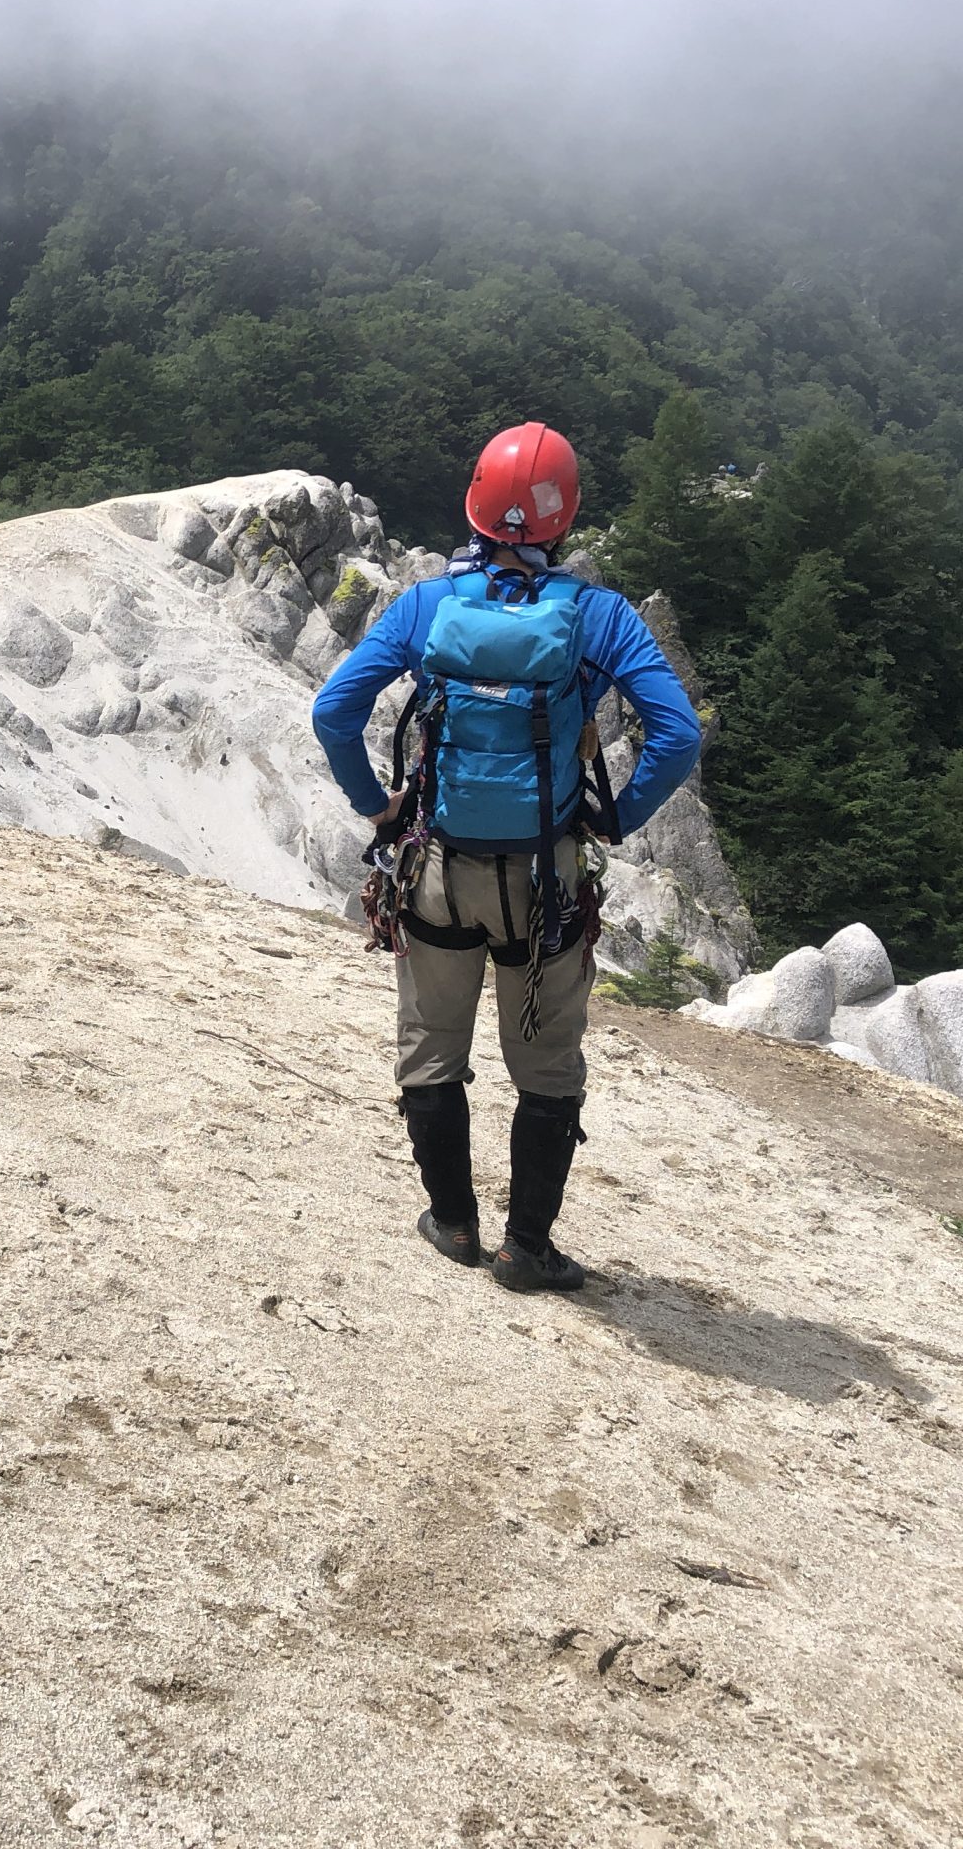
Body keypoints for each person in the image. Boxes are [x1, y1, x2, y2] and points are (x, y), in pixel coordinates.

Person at [313, 423, 701, 1293]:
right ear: (565, 522)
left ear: (477, 510)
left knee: (432, 1051)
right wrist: (615, 818)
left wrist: (379, 805)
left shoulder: (425, 608)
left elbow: (336, 712)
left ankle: (453, 1221)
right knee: (548, 1068)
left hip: (438, 874)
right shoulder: (597, 616)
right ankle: (527, 1247)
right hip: (544, 884)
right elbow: (676, 734)